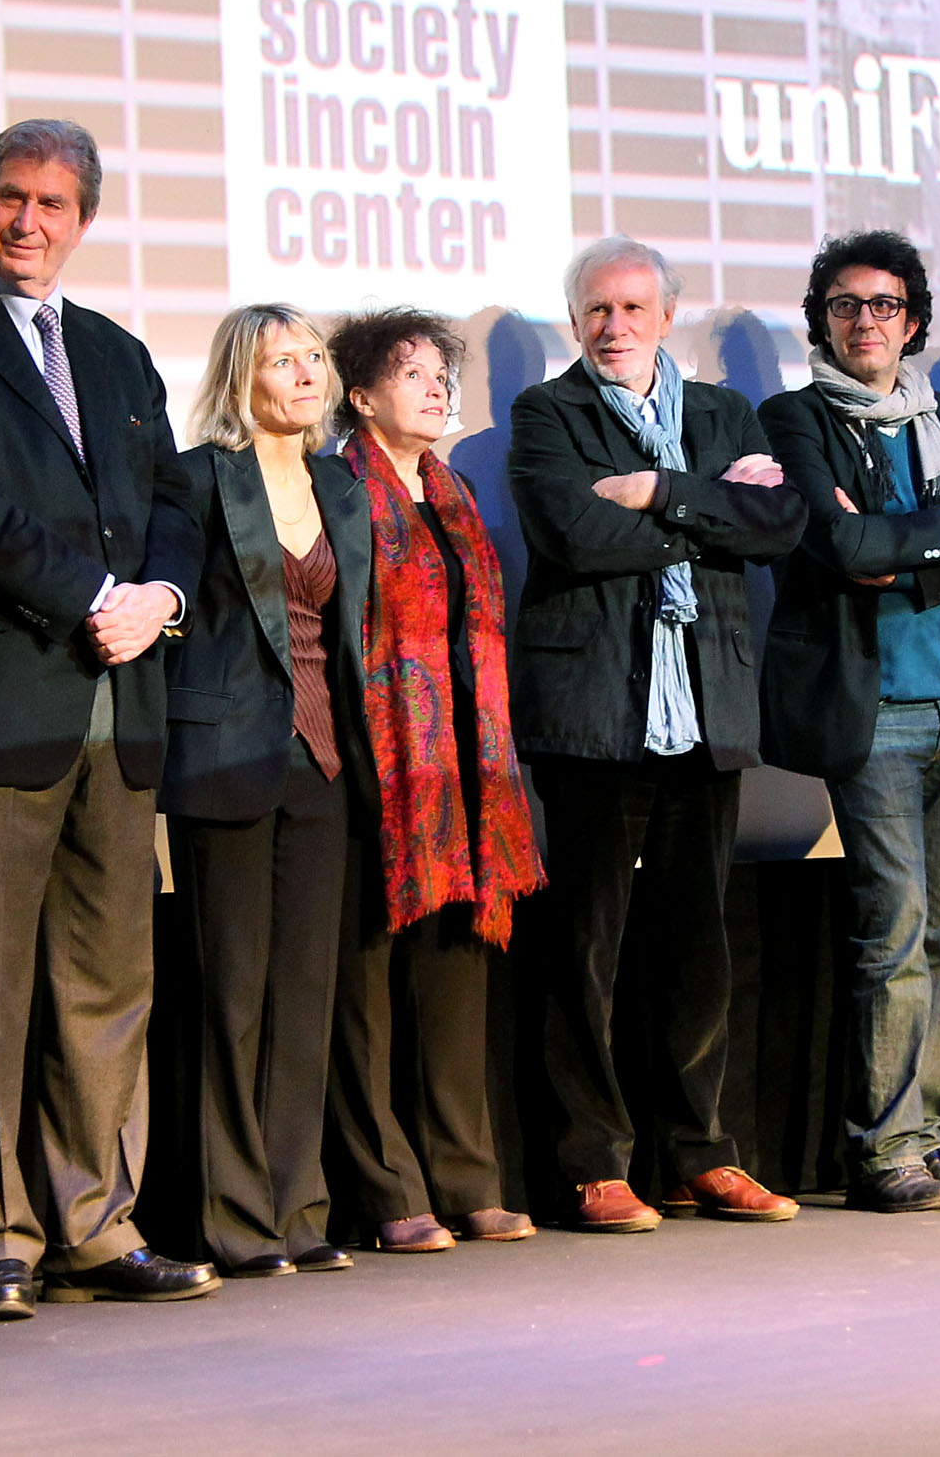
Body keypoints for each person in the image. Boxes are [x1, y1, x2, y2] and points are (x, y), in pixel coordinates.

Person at [0, 119, 209, 1318]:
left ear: (84, 220)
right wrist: (95, 596)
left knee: (109, 984)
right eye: (10, 197)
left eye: (52, 203)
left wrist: (162, 598)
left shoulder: (117, 354)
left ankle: (97, 1228)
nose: (27, 220)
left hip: (122, 709)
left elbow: (174, 503)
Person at [506, 237, 806, 1231]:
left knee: (697, 947)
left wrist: (662, 491)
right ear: (574, 320)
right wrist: (714, 505)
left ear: (667, 318)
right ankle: (592, 1162)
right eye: (597, 309)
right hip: (595, 713)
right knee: (587, 948)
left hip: (703, 706)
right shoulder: (548, 413)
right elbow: (575, 536)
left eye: (634, 309)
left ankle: (696, 1156)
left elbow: (777, 526)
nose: (615, 327)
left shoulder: (723, 412)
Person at [760, 232, 940, 1211]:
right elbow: (841, 546)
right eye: (845, 305)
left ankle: (930, 1138)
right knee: (895, 932)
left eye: (884, 305)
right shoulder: (794, 418)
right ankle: (884, 1154)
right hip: (873, 715)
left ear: (912, 322)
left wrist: (910, 551)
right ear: (823, 322)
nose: (865, 321)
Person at [322, 308, 546, 1253]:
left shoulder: (453, 490)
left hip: (462, 774)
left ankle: (468, 1177)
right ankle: (388, 1189)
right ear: (361, 396)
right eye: (410, 373)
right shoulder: (337, 487)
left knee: (456, 981)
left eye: (440, 373)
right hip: (375, 765)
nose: (435, 387)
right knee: (367, 991)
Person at [157, 306, 364, 1278]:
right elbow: (171, 600)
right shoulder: (198, 476)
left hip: (324, 762)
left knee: (303, 994)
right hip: (226, 757)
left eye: (314, 356)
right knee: (230, 996)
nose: (308, 373)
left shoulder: (340, 485)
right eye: (284, 360)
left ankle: (298, 1208)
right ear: (244, 378)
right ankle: (233, 1218)